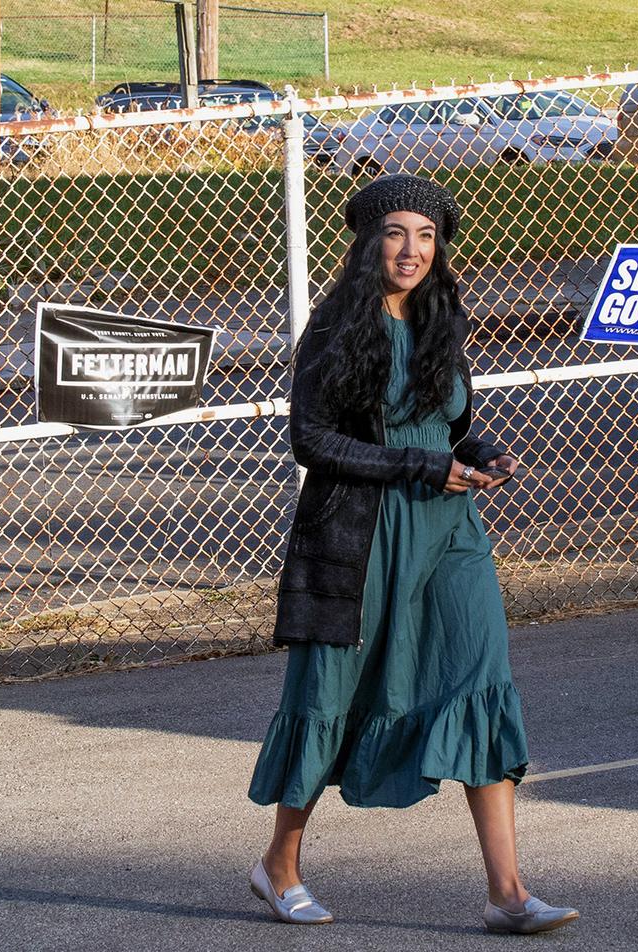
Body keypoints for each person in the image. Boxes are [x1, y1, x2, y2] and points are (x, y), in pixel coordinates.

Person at [246, 174, 578, 935]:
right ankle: (278, 867)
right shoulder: (335, 328)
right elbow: (312, 441)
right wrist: (420, 466)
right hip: (360, 543)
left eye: (426, 236)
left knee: (479, 679)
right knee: (329, 699)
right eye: (397, 233)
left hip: (451, 536)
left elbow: (450, 427)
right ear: (369, 242)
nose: (412, 250)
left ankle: (508, 893)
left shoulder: (440, 321)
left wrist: (480, 452)